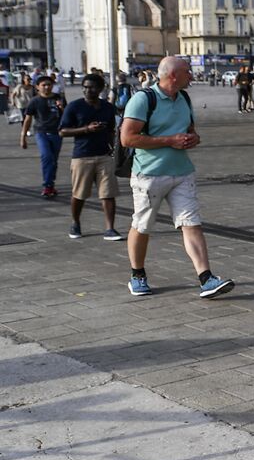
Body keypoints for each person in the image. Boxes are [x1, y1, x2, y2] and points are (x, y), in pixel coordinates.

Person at [120, 56, 234, 298]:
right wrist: (169, 141)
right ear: (173, 75)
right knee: (142, 225)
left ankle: (206, 278)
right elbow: (127, 138)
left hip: (182, 172)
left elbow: (190, 131)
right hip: (149, 174)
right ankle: (137, 275)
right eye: (187, 71)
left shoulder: (183, 98)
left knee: (191, 223)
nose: (191, 75)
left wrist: (194, 139)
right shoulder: (143, 100)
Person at [58, 73, 120, 240]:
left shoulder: (107, 107)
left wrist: (113, 147)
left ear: (100, 89)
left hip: (104, 156)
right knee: (79, 194)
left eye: (91, 87)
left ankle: (110, 228)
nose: (87, 90)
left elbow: (112, 130)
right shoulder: (74, 107)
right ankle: (75, 223)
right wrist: (86, 129)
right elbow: (62, 131)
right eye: (85, 87)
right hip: (82, 156)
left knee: (108, 193)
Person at [20, 73, 64, 198]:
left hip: (57, 133)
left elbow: (67, 115)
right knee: (46, 157)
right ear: (37, 87)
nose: (46, 87)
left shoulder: (58, 98)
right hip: (41, 132)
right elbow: (28, 119)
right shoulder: (34, 101)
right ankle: (47, 185)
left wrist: (61, 108)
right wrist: (23, 137)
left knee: (53, 161)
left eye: (49, 85)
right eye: (43, 85)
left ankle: (51, 184)